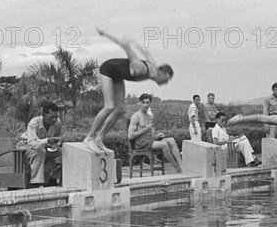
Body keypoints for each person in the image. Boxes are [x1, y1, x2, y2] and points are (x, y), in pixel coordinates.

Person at [83, 27, 174, 155]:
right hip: (108, 70)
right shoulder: (141, 69)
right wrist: (108, 34)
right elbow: (125, 46)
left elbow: (147, 53)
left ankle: (99, 138)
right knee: (109, 106)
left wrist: (135, 42)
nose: (166, 83)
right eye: (167, 79)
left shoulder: (153, 67)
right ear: (162, 73)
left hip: (118, 76)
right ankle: (90, 137)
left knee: (121, 109)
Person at [128, 94, 182, 173]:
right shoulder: (135, 116)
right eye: (143, 103)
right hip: (141, 144)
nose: (146, 105)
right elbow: (130, 136)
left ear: (150, 103)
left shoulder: (149, 117)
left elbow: (150, 135)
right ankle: (177, 168)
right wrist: (145, 130)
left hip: (149, 141)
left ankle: (181, 165)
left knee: (171, 140)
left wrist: (157, 136)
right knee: (164, 145)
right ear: (139, 103)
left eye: (147, 103)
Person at [20, 102, 63, 187]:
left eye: (56, 116)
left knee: (63, 152)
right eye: (51, 117)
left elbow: (59, 135)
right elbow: (32, 144)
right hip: (26, 148)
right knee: (40, 151)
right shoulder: (34, 123)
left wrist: (58, 142)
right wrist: (47, 141)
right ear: (44, 115)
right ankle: (35, 182)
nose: (54, 119)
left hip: (45, 149)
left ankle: (53, 179)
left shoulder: (57, 122)